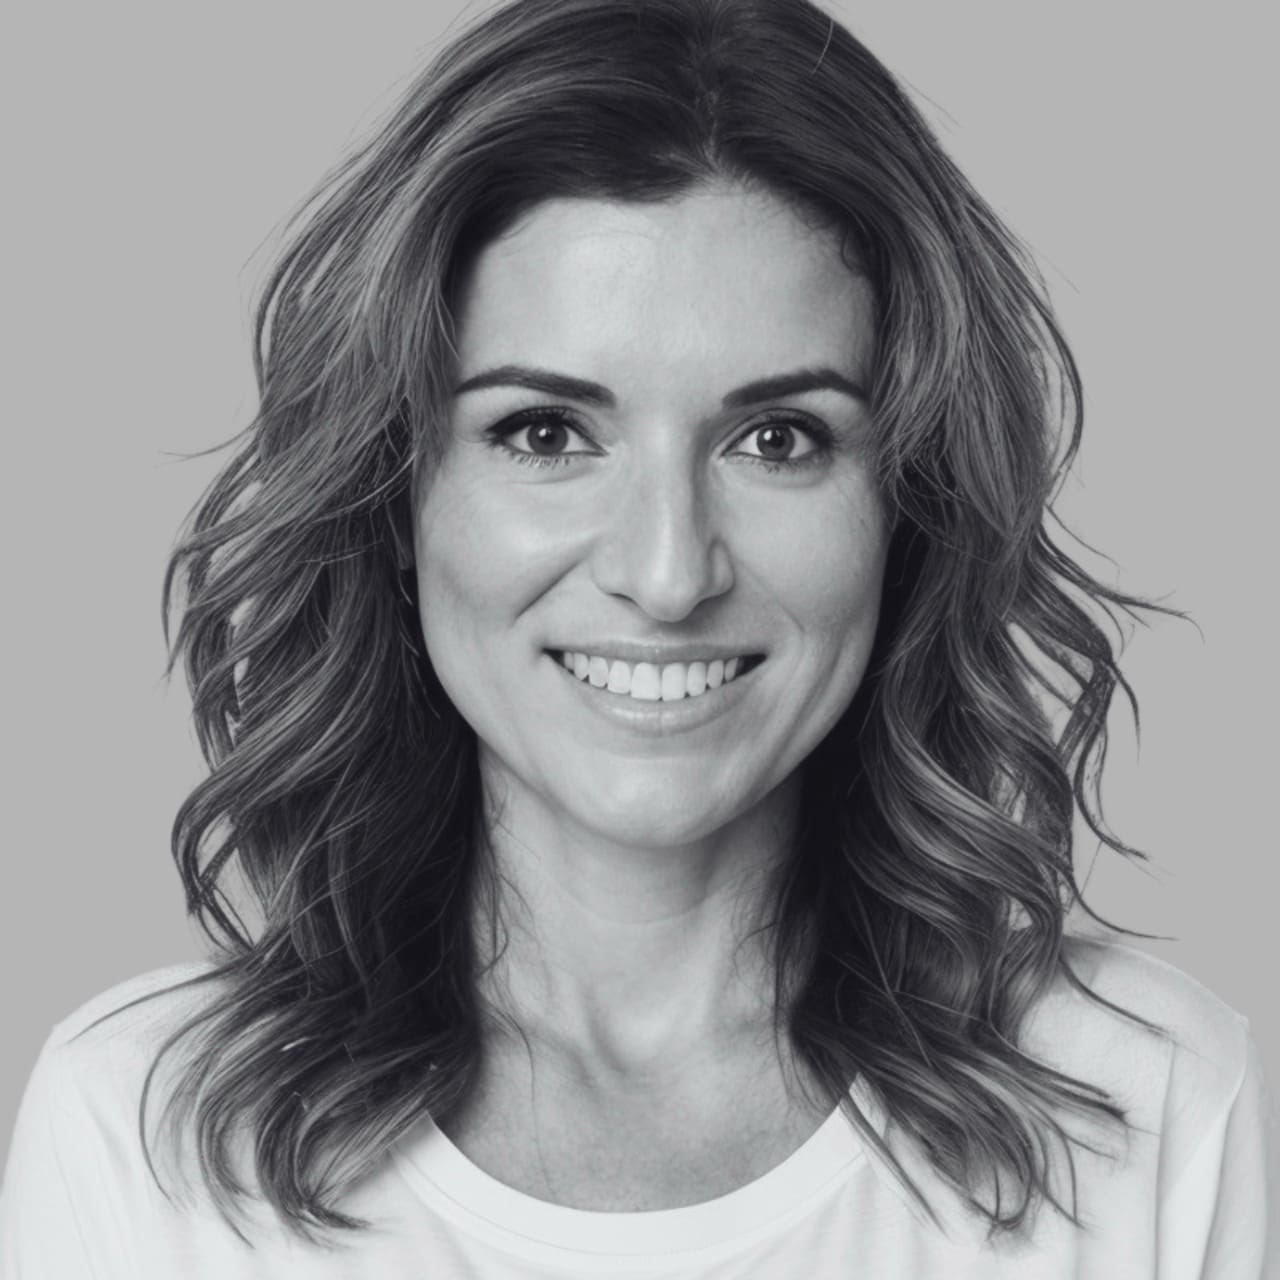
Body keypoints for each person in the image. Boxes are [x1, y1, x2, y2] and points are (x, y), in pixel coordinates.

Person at [1, 0, 1272, 1274]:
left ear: (910, 506)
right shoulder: (148, 1139)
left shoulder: (1137, 1110)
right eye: (545, 432)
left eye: (776, 438)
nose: (667, 575)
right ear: (393, 497)